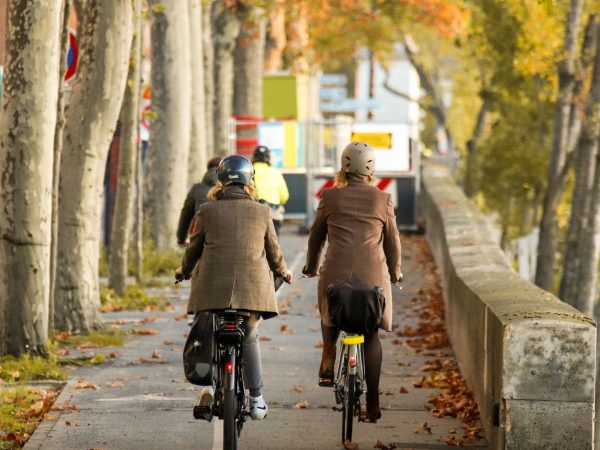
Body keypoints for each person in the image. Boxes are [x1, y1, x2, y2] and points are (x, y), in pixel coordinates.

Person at [175, 155, 292, 421]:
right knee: (249, 337)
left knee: (208, 332)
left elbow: (193, 249)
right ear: (250, 181)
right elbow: (274, 253)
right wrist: (284, 271)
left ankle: (207, 389)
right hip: (252, 291)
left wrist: (183, 271)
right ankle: (256, 399)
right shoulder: (262, 211)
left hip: (211, 290)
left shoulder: (206, 210)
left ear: (221, 180)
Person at [302, 142, 402, 423]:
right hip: (373, 278)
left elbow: (316, 236)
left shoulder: (330, 197)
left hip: (337, 274)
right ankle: (372, 401)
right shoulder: (382, 199)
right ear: (371, 169)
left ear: (344, 167)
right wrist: (395, 272)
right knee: (371, 335)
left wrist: (311, 266)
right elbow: (393, 242)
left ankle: (329, 352)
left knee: (328, 306)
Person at [176, 156, 222, 246]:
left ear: (208, 169)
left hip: (201, 238)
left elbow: (185, 214)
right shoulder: (228, 189)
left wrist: (181, 238)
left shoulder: (196, 189)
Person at [252, 145, 289, 235]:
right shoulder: (275, 172)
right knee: (274, 240)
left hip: (255, 212)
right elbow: (284, 196)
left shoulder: (250, 171)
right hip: (273, 212)